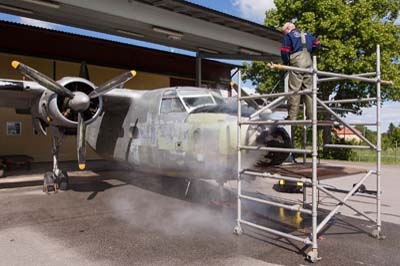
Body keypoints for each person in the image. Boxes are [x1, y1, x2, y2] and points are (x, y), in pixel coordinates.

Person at [280, 22, 321, 120]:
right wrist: (309, 49)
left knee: (294, 90)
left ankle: (292, 116)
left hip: (297, 63)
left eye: (284, 32)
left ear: (289, 28)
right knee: (309, 91)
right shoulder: (307, 34)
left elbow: (284, 51)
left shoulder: (289, 36)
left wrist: (287, 62)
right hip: (309, 63)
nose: (284, 34)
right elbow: (318, 45)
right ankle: (311, 117)